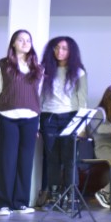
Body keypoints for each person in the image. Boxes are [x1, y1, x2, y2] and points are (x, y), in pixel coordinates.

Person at [0, 29, 44, 216]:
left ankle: (20, 202)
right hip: (8, 118)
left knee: (25, 161)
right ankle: (3, 204)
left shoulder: (38, 67)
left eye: (28, 40)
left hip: (31, 119)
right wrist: (7, 106)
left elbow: (38, 96)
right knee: (7, 160)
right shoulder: (2, 65)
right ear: (13, 43)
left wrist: (37, 123)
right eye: (20, 40)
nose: (24, 43)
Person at [39, 36, 87, 210]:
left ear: (71, 51)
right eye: (57, 48)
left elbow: (82, 100)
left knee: (70, 159)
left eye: (64, 48)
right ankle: (53, 197)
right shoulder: (44, 70)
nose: (60, 51)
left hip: (70, 118)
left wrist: (81, 127)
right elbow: (40, 98)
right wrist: (37, 124)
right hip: (49, 117)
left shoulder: (79, 72)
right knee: (52, 159)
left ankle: (71, 198)